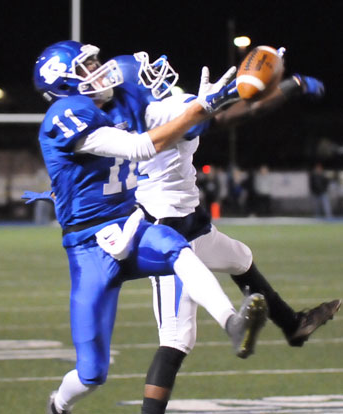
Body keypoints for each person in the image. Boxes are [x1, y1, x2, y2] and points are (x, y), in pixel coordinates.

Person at [33, 40, 269, 414]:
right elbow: (141, 147)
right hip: (89, 246)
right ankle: (58, 405)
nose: (97, 68)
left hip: (130, 222)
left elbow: (168, 115)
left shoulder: (123, 98)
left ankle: (232, 324)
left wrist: (216, 98)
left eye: (95, 59)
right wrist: (199, 111)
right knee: (92, 374)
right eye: (85, 66)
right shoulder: (66, 114)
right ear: (63, 84)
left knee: (178, 248)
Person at [109, 53, 341, 414]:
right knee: (176, 341)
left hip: (190, 220)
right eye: (145, 74)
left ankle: (293, 325)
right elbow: (242, 112)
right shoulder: (167, 111)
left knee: (240, 256)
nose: (156, 75)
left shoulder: (117, 123)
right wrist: (289, 87)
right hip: (167, 234)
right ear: (134, 88)